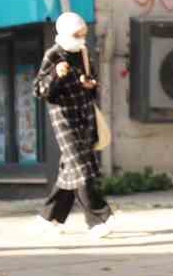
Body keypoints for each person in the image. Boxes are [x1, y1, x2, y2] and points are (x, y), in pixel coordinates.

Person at [34, 12, 114, 238]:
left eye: (84, 34)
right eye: (78, 34)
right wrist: (55, 76)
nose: (82, 38)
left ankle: (49, 218)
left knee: (71, 169)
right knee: (81, 168)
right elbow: (39, 90)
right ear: (66, 32)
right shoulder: (53, 55)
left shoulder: (84, 53)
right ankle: (99, 218)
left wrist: (90, 84)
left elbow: (94, 81)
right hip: (64, 119)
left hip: (85, 116)